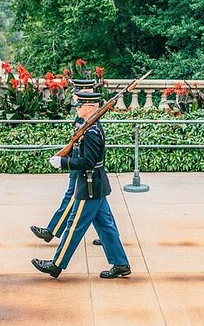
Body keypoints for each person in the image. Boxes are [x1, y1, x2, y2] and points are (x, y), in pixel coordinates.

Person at [31, 91, 130, 279]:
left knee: (73, 226)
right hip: (96, 184)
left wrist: (64, 163)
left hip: (90, 185)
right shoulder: (88, 127)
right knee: (106, 227)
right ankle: (121, 264)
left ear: (91, 107)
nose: (77, 108)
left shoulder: (92, 132)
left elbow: (88, 162)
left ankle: (56, 265)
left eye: (80, 105)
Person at [30, 79, 102, 246]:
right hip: (77, 162)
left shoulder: (91, 119)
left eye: (80, 94)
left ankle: (52, 231)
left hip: (82, 167)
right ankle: (107, 237)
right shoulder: (84, 116)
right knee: (101, 212)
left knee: (72, 199)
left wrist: (66, 162)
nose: (76, 102)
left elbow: (88, 150)